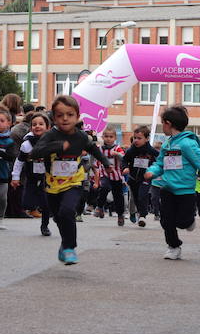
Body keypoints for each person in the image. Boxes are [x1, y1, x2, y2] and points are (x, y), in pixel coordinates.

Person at [31, 95, 108, 265]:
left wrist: (106, 163)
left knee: (67, 211)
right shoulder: (50, 135)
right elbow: (35, 153)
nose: (65, 119)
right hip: (52, 184)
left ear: (78, 116)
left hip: (74, 181)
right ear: (54, 118)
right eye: (60, 115)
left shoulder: (81, 137)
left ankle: (69, 248)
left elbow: (93, 149)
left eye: (70, 114)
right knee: (59, 217)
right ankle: (65, 244)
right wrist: (57, 146)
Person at [143, 105, 200, 260]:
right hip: (167, 188)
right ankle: (173, 246)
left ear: (168, 123)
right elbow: (160, 163)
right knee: (166, 221)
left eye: (162, 124)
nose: (162, 127)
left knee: (183, 221)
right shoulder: (167, 144)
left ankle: (189, 221)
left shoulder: (187, 144)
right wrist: (152, 171)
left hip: (185, 190)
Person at [11, 111, 52, 236]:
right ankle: (35, 206)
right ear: (30, 127)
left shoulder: (51, 143)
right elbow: (19, 161)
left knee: (46, 203)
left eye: (41, 124)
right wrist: (15, 176)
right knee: (27, 203)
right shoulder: (26, 144)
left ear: (48, 127)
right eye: (34, 124)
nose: (37, 126)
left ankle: (44, 226)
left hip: (47, 177)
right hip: (31, 177)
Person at [123, 125, 158, 227]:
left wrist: (153, 170)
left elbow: (159, 159)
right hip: (133, 178)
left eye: (139, 138)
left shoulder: (151, 151)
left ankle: (143, 215)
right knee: (136, 197)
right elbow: (125, 160)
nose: (136, 140)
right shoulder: (131, 150)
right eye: (135, 138)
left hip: (145, 178)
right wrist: (125, 168)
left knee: (142, 195)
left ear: (146, 139)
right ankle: (139, 212)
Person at [94, 126, 126, 226]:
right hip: (105, 174)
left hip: (116, 175)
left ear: (115, 138)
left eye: (111, 137)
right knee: (104, 187)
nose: (108, 138)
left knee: (118, 196)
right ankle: (99, 207)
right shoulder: (100, 149)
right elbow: (95, 161)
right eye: (106, 136)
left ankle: (120, 215)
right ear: (103, 137)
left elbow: (123, 157)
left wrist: (116, 154)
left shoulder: (117, 148)